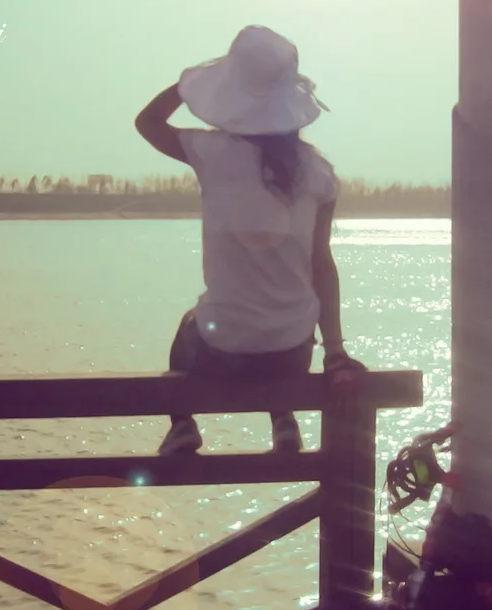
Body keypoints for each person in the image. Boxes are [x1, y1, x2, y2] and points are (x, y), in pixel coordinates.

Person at [134, 24, 366, 455]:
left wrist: (189, 87)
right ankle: (283, 420)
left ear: (231, 91)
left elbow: (146, 122)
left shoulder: (212, 153)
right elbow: (321, 265)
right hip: (293, 353)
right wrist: (334, 349)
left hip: (221, 348)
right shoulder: (319, 174)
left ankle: (182, 424)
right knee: (276, 333)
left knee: (189, 326)